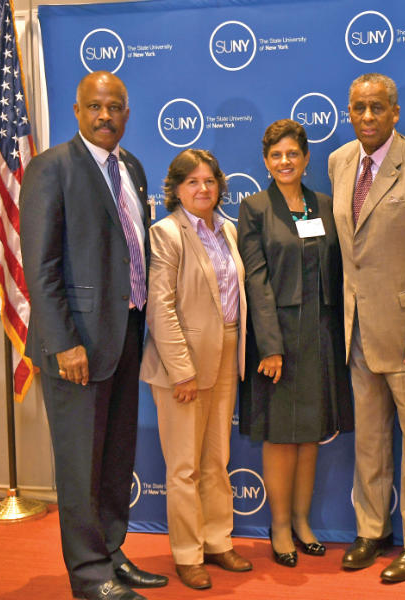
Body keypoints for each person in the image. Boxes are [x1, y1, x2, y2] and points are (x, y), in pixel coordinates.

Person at [20, 71, 168, 600]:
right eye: (95, 107)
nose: (105, 116)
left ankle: (110, 553)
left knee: (114, 457)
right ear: (78, 112)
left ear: (127, 113)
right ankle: (88, 577)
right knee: (81, 464)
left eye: (115, 107)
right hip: (75, 345)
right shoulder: (50, 169)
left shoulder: (131, 167)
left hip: (125, 332)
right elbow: (39, 268)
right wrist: (63, 343)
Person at [328, 73, 405, 583]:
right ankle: (372, 530)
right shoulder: (338, 162)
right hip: (355, 329)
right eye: (358, 107)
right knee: (370, 441)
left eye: (377, 108)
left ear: (396, 112)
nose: (366, 117)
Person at [238, 119, 353, 568]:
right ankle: (280, 526)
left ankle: (303, 522)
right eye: (275, 155)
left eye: (292, 154)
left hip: (320, 337)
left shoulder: (323, 205)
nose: (284, 162)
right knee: (282, 438)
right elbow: (256, 279)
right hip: (278, 341)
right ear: (266, 162)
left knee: (311, 436)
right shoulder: (254, 208)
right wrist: (270, 346)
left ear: (306, 159)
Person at [139, 149, 251, 589]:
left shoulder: (229, 229)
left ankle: (218, 540)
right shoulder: (166, 233)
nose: (203, 189)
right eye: (193, 182)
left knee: (216, 458)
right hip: (180, 363)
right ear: (176, 189)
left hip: (226, 351)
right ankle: (187, 552)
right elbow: (160, 307)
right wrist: (180, 370)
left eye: (209, 181)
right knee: (183, 465)